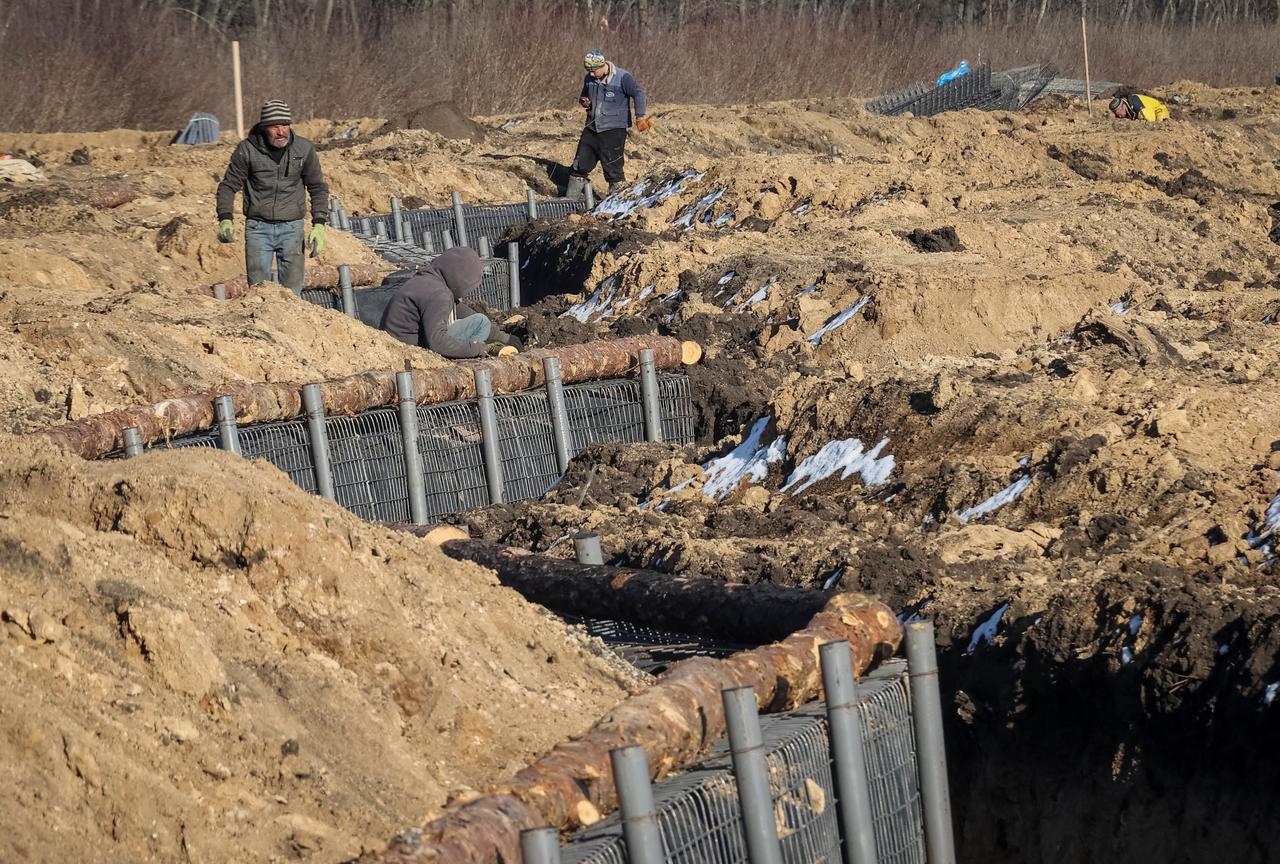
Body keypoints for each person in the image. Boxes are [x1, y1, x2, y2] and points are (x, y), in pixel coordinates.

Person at [215, 99, 329, 296]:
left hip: (292, 227)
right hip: (258, 228)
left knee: (292, 293)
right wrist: (225, 218)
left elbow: (317, 186)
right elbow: (228, 186)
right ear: (264, 126)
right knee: (259, 291)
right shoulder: (247, 150)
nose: (281, 131)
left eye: (285, 125)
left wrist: (319, 223)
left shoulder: (303, 149)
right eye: (275, 126)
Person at [379, 247, 523, 359]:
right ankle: (469, 361)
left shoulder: (427, 281)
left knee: (480, 321)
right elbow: (437, 342)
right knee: (481, 321)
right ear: (461, 279)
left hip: (398, 345)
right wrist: (479, 349)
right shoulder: (439, 295)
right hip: (412, 350)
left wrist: (505, 338)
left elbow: (464, 312)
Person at [566, 51, 651, 200]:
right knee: (579, 165)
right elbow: (584, 95)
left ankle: (616, 201)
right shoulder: (589, 79)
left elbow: (639, 93)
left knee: (613, 168)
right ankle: (570, 199)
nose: (591, 74)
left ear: (602, 66)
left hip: (614, 130)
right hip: (592, 127)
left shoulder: (622, 77)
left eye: (593, 71)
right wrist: (585, 101)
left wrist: (640, 116)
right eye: (589, 71)